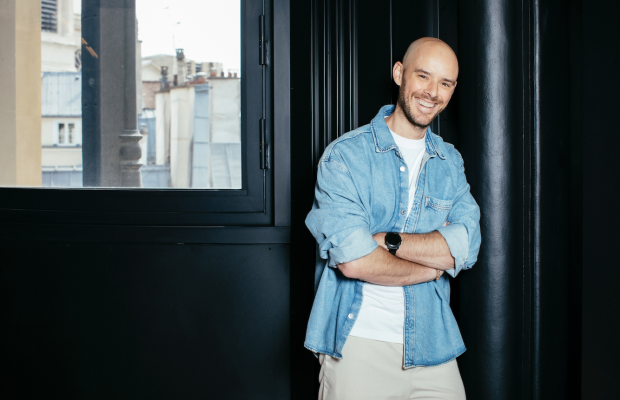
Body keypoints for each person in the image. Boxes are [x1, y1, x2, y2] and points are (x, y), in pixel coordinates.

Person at [304, 37, 481, 400]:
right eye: (423, 76)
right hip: (357, 344)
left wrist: (386, 241)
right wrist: (432, 267)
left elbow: (466, 246)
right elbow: (354, 262)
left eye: (445, 83)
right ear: (400, 73)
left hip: (432, 345)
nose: (433, 92)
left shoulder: (450, 162)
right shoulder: (345, 157)